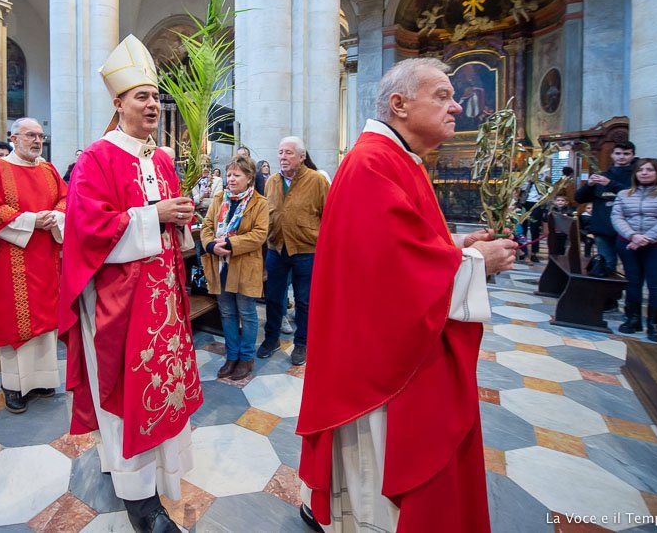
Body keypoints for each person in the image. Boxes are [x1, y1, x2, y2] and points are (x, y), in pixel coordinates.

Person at [297, 57, 516, 533]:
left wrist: (457, 245)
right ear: (399, 104)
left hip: (386, 345)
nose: (457, 107)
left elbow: (402, 245)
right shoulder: (373, 162)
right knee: (381, 489)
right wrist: (480, 264)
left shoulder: (396, 158)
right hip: (378, 361)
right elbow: (393, 274)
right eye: (441, 95)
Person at [59, 34, 199, 533]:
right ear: (117, 103)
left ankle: (164, 474)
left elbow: (168, 224)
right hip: (119, 304)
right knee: (125, 394)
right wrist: (153, 215)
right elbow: (86, 228)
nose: (153, 104)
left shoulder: (162, 160)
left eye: (156, 96)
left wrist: (180, 218)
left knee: (164, 390)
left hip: (163, 299)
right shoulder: (97, 157)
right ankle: (139, 498)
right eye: (142, 96)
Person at [0, 117, 66, 413]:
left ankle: (43, 379)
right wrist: (32, 220)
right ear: (13, 137)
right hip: (8, 258)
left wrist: (56, 216)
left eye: (40, 136)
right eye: (30, 135)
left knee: (45, 319)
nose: (37, 141)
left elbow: (65, 198)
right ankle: (14, 385)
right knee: (13, 321)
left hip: (45, 256)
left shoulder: (48, 169)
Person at [257, 135, 329, 367]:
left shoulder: (317, 180)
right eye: (280, 152)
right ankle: (271, 339)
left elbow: (329, 216)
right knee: (274, 298)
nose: (283, 157)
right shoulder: (273, 182)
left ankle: (302, 343)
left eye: (288, 153)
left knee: (304, 301)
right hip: (276, 248)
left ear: (302, 156)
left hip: (306, 249)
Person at [200, 155, 269, 380]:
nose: (230, 179)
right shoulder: (220, 198)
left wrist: (230, 244)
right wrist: (211, 245)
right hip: (220, 266)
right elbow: (207, 226)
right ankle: (232, 356)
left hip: (245, 265)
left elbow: (259, 235)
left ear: (249, 178)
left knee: (247, 314)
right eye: (229, 174)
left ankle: (246, 358)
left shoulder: (259, 202)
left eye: (236, 175)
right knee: (227, 313)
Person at [611, 158, 657, 341]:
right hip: (629, 243)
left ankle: (654, 324)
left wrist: (648, 238)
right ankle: (633, 319)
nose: (644, 173)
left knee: (656, 284)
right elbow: (617, 217)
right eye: (640, 170)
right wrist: (633, 236)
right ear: (635, 173)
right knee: (633, 282)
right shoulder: (624, 194)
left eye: (649, 169)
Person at [574, 142, 636, 275]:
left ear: (633, 155)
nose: (621, 157)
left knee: (631, 268)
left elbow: (635, 195)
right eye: (618, 153)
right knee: (606, 265)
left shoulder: (636, 176)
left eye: (626, 154)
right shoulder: (605, 174)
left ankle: (632, 295)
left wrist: (610, 184)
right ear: (612, 155)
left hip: (628, 230)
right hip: (603, 228)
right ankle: (609, 295)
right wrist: (589, 185)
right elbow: (579, 199)